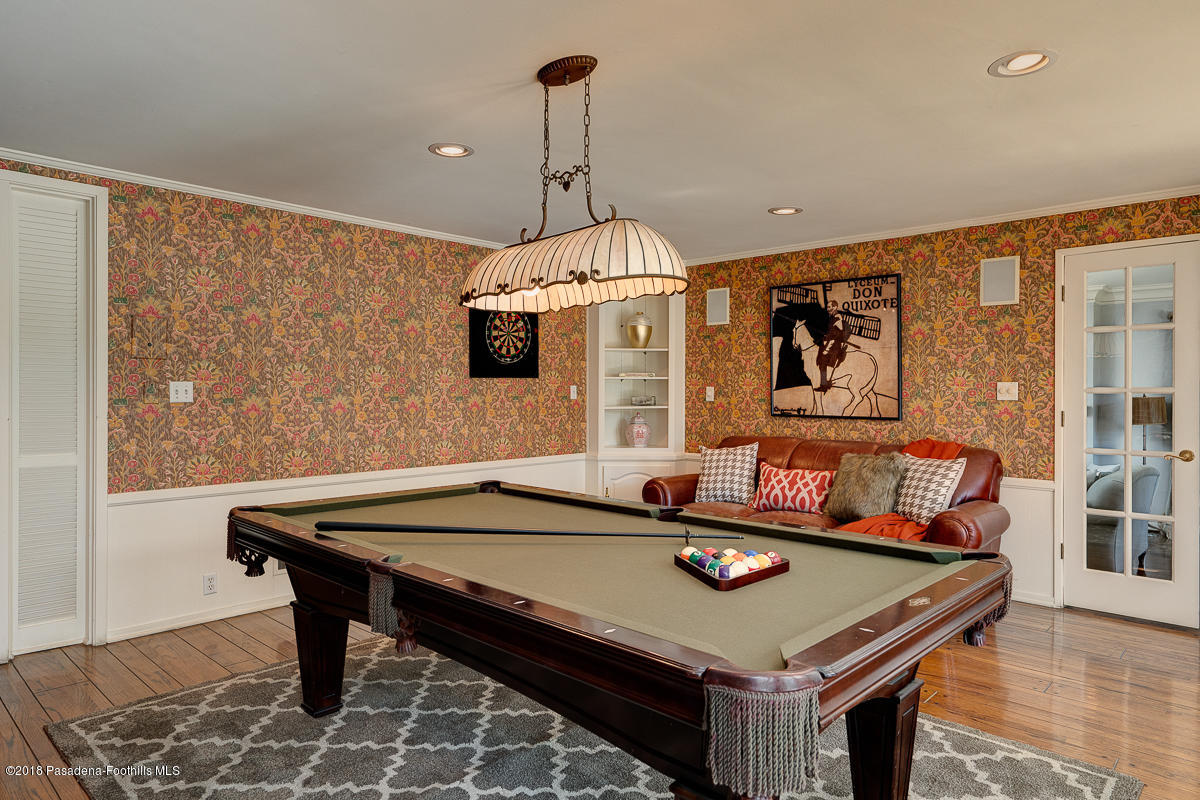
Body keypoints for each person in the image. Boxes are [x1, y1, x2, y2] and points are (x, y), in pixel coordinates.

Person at [816, 300, 850, 392]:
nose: (827, 309)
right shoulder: (832, 318)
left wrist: (827, 349)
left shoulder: (837, 318)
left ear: (835, 307)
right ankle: (824, 383)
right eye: (827, 307)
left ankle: (824, 385)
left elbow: (836, 335)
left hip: (835, 345)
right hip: (831, 343)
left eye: (829, 307)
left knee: (823, 361)